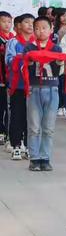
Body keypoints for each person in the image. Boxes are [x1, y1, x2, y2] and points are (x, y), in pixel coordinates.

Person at [23, 16, 66, 171]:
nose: (40, 31)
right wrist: (29, 61)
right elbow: (26, 69)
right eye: (37, 28)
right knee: (34, 126)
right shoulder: (29, 48)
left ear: (51, 30)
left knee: (48, 127)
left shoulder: (56, 49)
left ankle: (45, 157)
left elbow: (58, 72)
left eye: (44, 28)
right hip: (34, 89)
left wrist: (59, 62)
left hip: (52, 89)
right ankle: (34, 158)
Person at [5, 13, 36, 160]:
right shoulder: (13, 42)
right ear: (19, 26)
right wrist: (23, 59)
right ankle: (16, 145)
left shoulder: (37, 42)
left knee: (31, 117)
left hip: (34, 86)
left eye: (32, 22)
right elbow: (8, 61)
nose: (30, 25)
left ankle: (29, 145)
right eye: (26, 22)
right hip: (18, 85)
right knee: (17, 115)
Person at [0, 11, 14, 146]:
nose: (7, 24)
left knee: (7, 107)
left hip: (9, 79)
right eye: (3, 21)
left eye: (9, 22)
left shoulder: (12, 39)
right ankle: (1, 131)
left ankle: (7, 132)